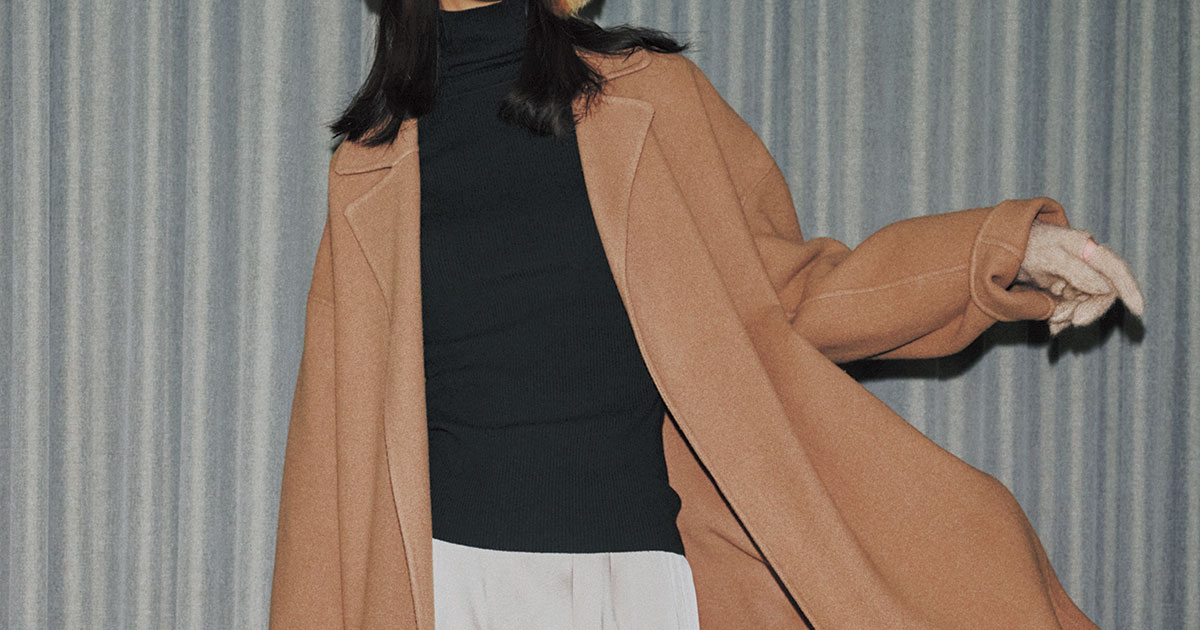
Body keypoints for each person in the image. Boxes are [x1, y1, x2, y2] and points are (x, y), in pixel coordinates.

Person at [270, 0, 1144, 628]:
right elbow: (331, 464)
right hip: (452, 589)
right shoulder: (369, 167)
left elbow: (793, 297)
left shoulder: (655, 101)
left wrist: (1006, 250)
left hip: (640, 588)